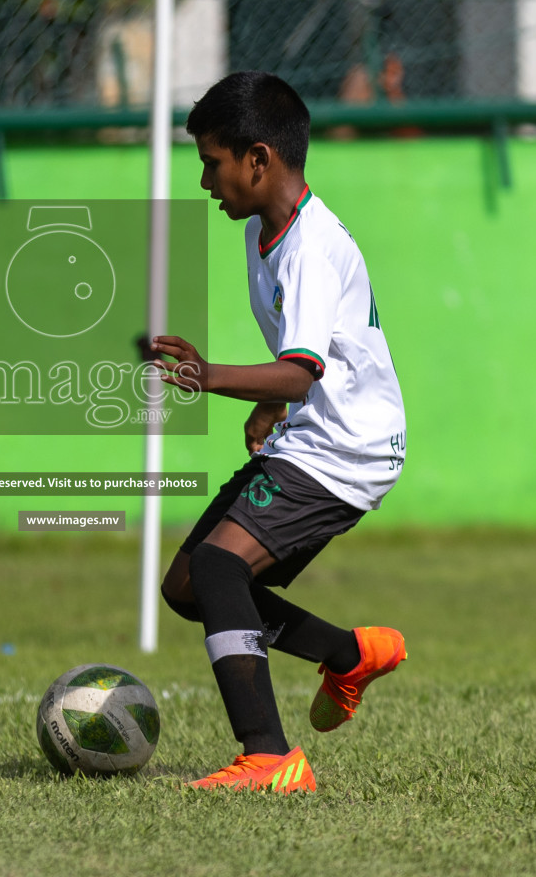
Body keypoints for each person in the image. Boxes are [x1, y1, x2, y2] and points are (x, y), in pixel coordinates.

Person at [153, 71, 409, 793]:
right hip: (314, 435)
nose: (205, 181)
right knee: (188, 585)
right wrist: (272, 407)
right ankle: (348, 654)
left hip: (347, 450)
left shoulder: (309, 248)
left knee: (219, 569)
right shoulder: (265, 229)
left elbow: (301, 370)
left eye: (212, 162)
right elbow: (307, 361)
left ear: (258, 160)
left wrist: (213, 377)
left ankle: (268, 756)